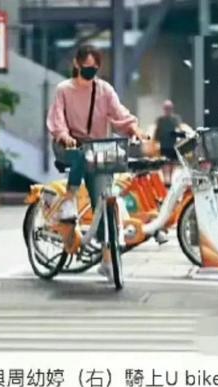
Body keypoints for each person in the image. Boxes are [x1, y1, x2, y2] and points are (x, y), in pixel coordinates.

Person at [46, 44, 147, 280]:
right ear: (76, 64)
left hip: (96, 150)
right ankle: (69, 200)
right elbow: (57, 119)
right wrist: (64, 136)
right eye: (86, 67)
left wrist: (134, 129)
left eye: (94, 68)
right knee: (80, 156)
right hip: (68, 146)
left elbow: (120, 114)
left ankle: (107, 259)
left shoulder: (104, 90)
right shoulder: (64, 89)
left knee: (102, 199)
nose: (90, 72)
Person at [153, 99, 184, 185]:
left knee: (172, 163)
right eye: (166, 108)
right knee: (164, 163)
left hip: (173, 145)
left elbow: (180, 129)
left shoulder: (175, 119)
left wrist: (180, 136)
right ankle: (166, 179)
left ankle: (170, 178)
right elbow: (157, 132)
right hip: (164, 145)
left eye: (169, 108)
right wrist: (155, 142)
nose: (168, 110)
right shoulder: (160, 120)